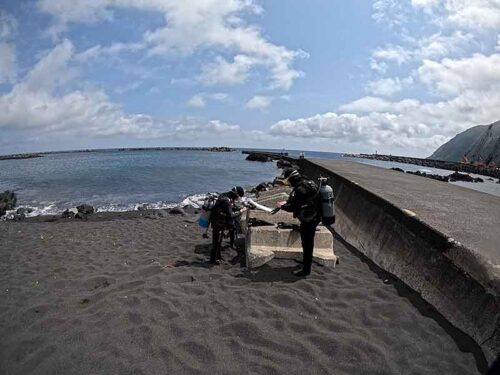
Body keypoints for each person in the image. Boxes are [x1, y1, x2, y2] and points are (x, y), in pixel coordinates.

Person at [273, 169, 320, 277]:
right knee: (308, 243)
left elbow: (293, 207)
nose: (287, 183)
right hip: (315, 216)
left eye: (287, 180)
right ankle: (306, 261)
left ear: (291, 178)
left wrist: (282, 206)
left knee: (307, 244)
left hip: (309, 220)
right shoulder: (306, 182)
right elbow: (301, 201)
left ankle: (306, 270)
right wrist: (288, 203)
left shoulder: (300, 189)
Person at [209, 186, 246, 264]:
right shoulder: (227, 201)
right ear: (236, 194)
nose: (237, 199)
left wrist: (238, 208)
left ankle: (218, 257)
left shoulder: (224, 196)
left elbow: (229, 208)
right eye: (238, 196)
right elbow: (231, 215)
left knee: (218, 241)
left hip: (216, 221)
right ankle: (213, 260)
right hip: (219, 223)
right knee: (216, 242)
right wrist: (241, 211)